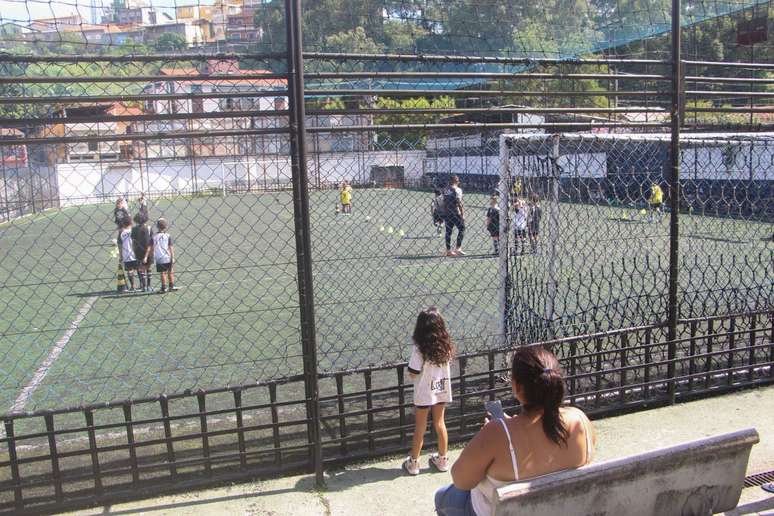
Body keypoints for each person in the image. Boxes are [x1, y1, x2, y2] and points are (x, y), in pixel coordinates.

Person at [435, 345, 595, 516]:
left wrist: (497, 433)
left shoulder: (497, 434)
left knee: (443, 496)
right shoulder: (580, 421)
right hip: (566, 510)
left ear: (517, 387)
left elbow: (461, 481)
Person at [403, 307, 454, 476]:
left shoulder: (419, 349)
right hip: (441, 389)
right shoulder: (446, 347)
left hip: (424, 392)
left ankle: (414, 462)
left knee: (420, 427)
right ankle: (443, 459)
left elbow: (413, 371)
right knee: (440, 423)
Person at [150, 218, 176, 293]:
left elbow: (152, 248)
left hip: (159, 257)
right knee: (170, 271)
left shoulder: (154, 237)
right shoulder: (167, 235)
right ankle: (171, 286)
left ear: (157, 226)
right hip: (168, 256)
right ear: (165, 226)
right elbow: (170, 247)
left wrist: (152, 256)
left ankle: (164, 287)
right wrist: (173, 257)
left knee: (162, 273)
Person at [442, 175, 465, 257]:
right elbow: (459, 202)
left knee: (448, 232)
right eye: (458, 180)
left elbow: (444, 202)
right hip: (455, 212)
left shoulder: (445, 190)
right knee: (462, 228)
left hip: (447, 213)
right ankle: (458, 248)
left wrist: (444, 212)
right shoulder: (457, 190)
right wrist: (462, 214)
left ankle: (448, 250)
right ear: (456, 181)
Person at [132, 214, 153, 292]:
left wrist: (134, 251)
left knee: (141, 269)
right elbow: (151, 242)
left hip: (138, 251)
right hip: (148, 250)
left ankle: (144, 286)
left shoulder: (134, 229)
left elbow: (133, 242)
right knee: (148, 268)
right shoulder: (149, 228)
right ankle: (149, 286)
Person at [117, 215, 138, 292]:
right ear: (131, 223)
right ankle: (143, 285)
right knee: (139, 269)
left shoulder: (121, 233)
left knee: (130, 270)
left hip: (126, 254)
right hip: (136, 253)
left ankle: (133, 286)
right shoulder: (134, 230)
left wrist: (121, 255)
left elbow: (119, 245)